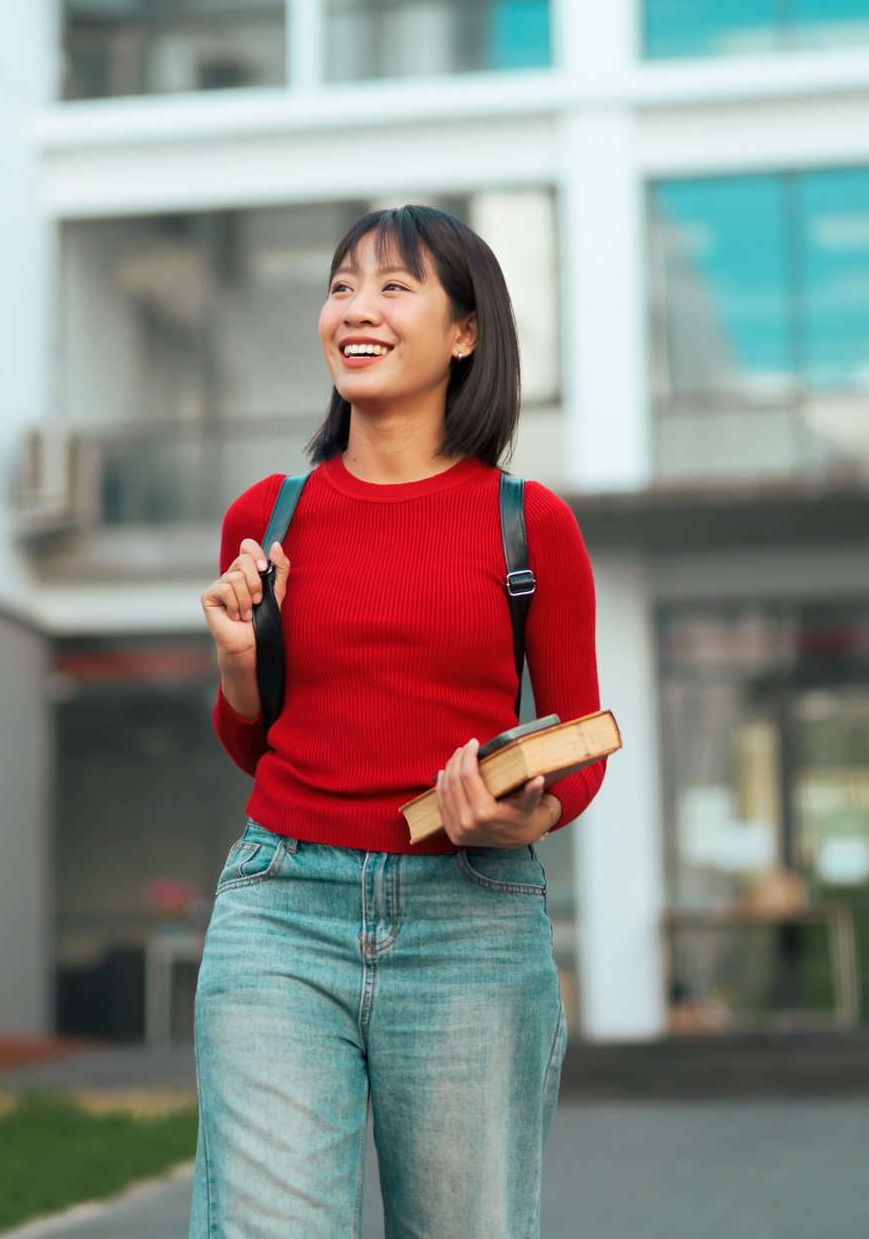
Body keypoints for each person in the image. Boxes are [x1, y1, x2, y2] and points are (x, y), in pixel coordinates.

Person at [191, 204, 606, 1238]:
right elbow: (251, 738)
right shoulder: (267, 517)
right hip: (282, 910)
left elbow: (582, 741)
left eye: (392, 285)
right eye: (340, 286)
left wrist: (525, 815)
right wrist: (241, 670)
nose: (355, 309)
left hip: (470, 916)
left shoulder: (531, 523)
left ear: (465, 331)